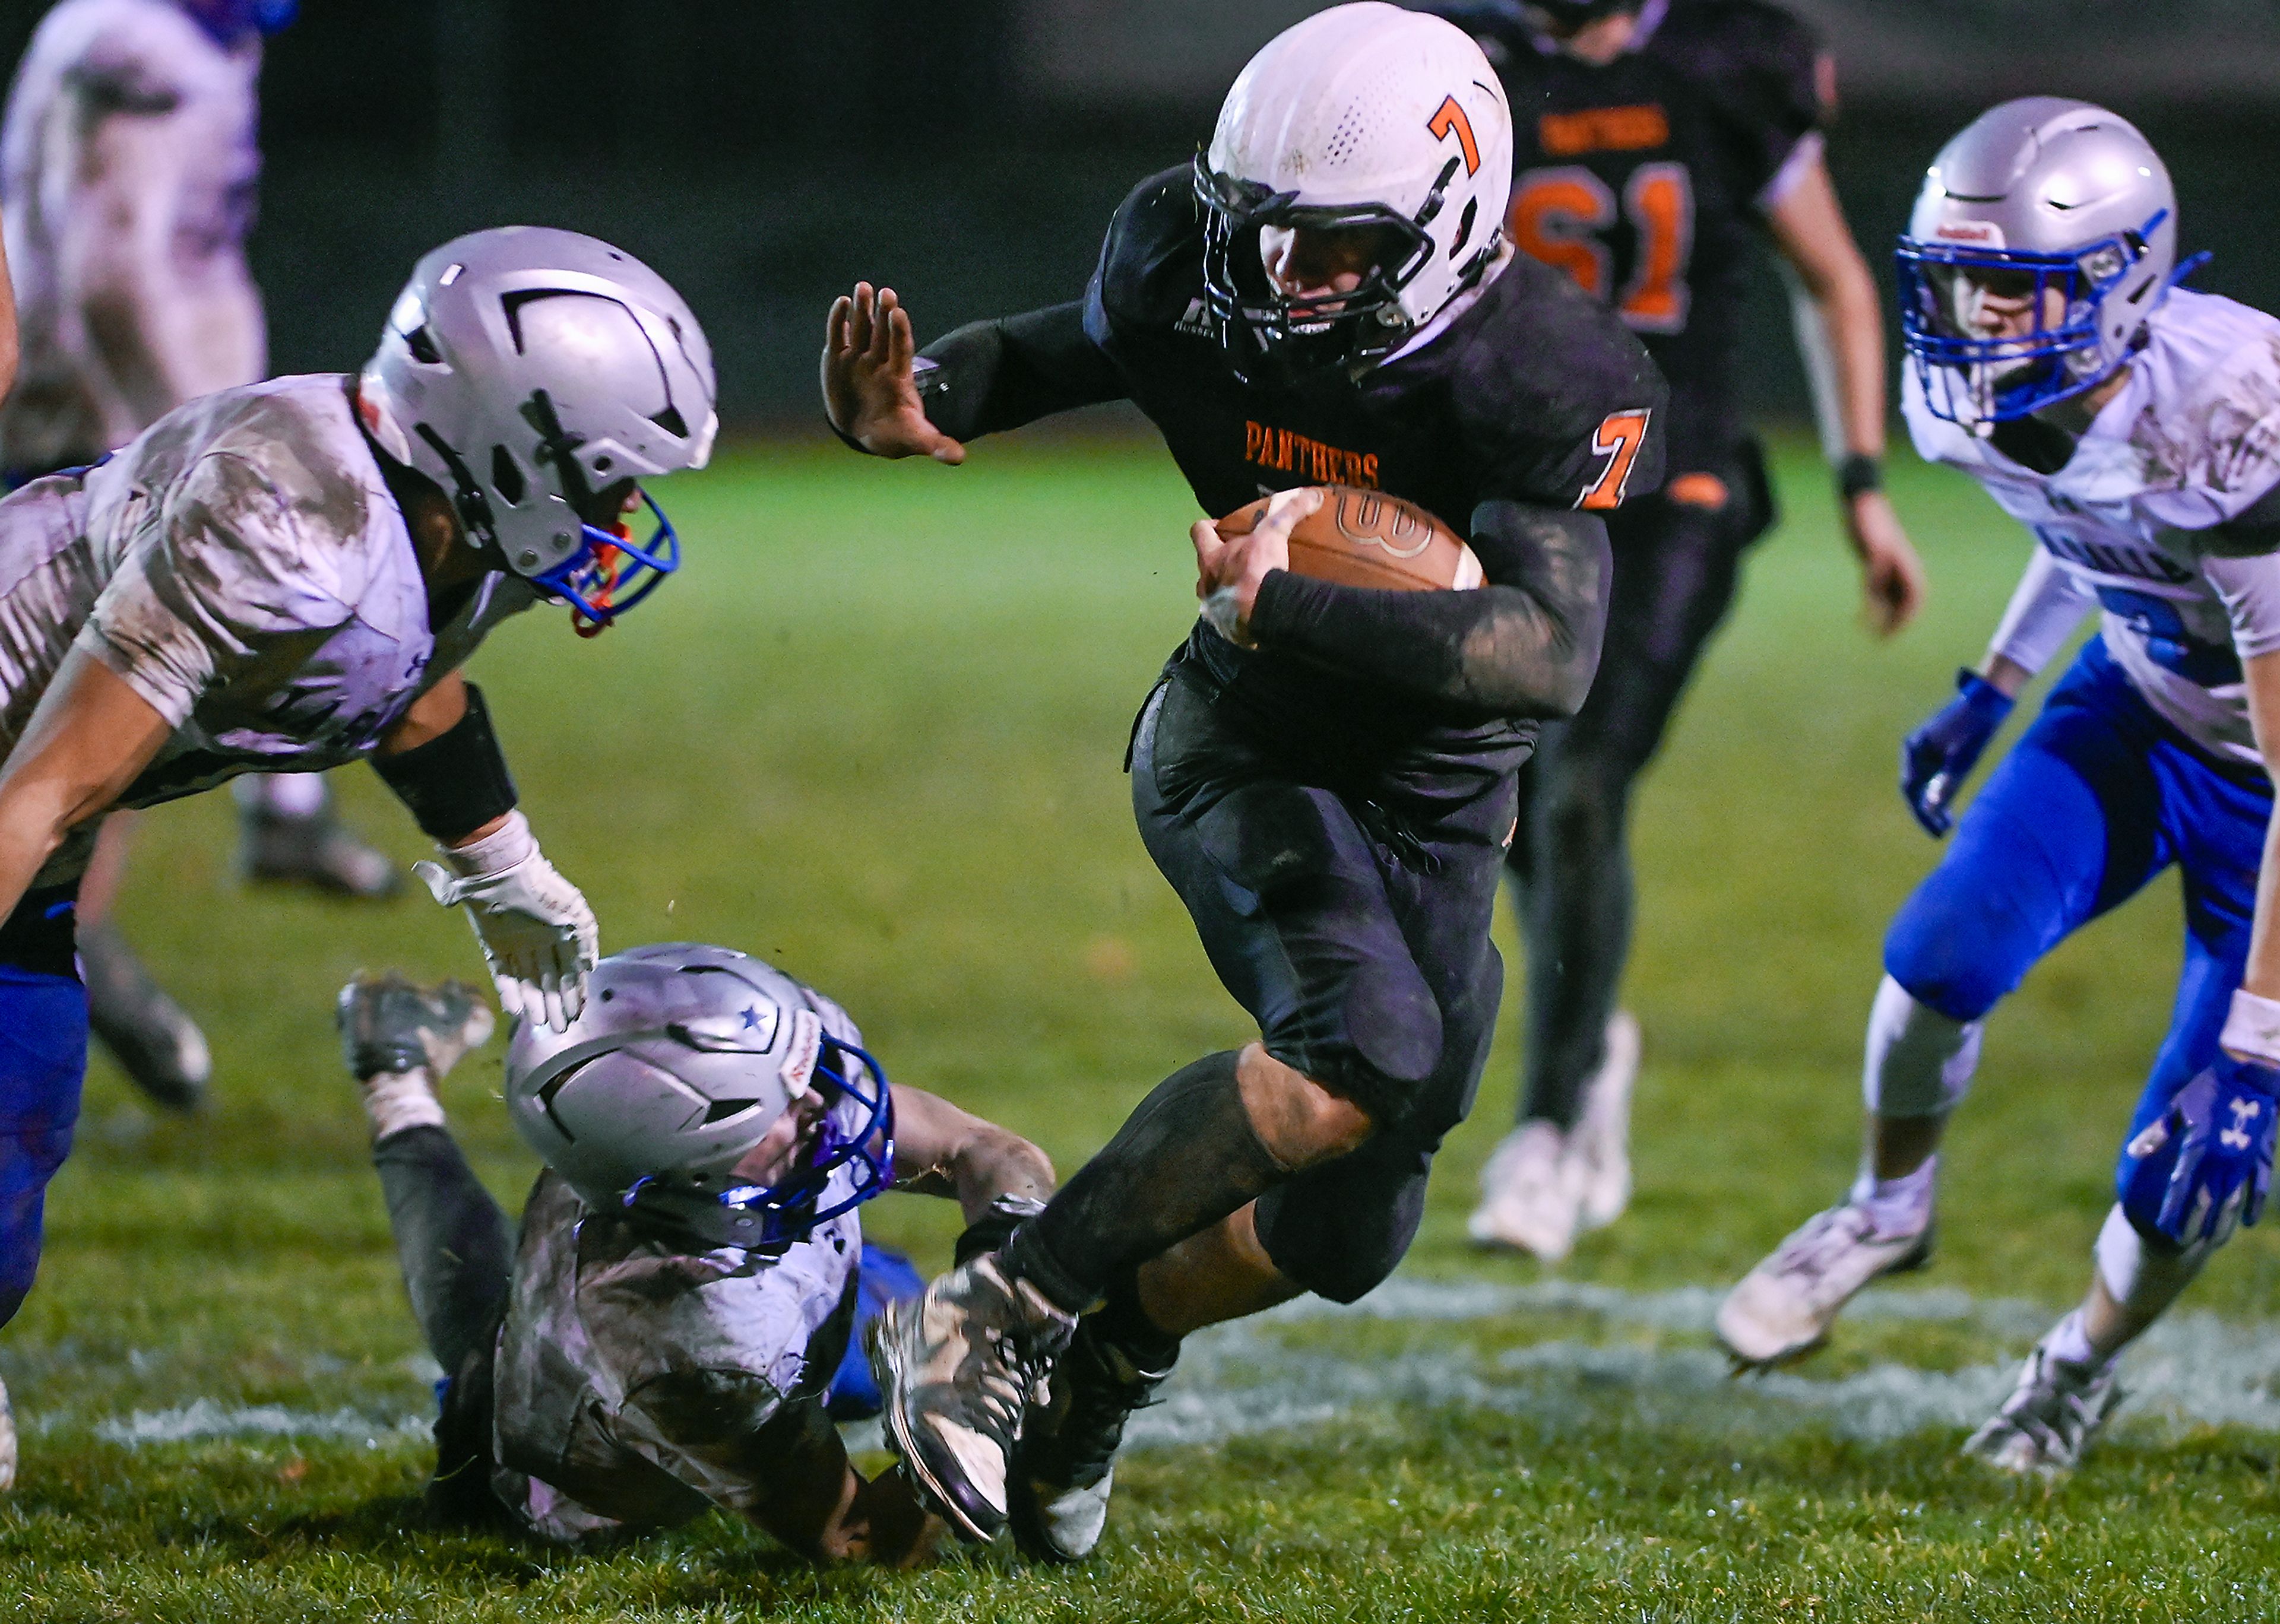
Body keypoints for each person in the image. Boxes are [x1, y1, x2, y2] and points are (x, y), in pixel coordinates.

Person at [826, 4, 1663, 1556]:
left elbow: (1550, 653)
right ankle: (996, 1310)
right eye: (1263, 230)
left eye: (1334, 244)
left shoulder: (1540, 366)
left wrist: (1297, 593)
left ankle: (1103, 1367)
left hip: (1437, 797)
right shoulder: (1185, 257)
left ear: (1450, 215)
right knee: (1364, 1043)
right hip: (1243, 738)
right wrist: (925, 390)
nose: (1286, 275)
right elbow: (1067, 347)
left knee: (1355, 1224)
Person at [0, 224, 717, 1486]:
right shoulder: (288, 530)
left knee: (18, 1132)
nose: (622, 520)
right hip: (18, 795)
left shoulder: (451, 524)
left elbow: (395, 679)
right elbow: (47, 789)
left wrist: (499, 861)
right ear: (506, 441)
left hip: (30, 827)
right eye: (605, 483)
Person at [1717, 99, 2280, 1474]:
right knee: (1935, 956)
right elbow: (2083, 525)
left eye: (2009, 294)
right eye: (1956, 286)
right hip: (2142, 704)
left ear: (2120, 283)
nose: (1972, 323)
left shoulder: (2234, 424)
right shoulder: (1973, 400)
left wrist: (2261, 1048)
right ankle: (1882, 1205)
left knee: (2187, 1163)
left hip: (2267, 781)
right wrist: (1989, 682)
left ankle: (2073, 1363)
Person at [1425, 0, 1927, 1264]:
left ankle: (1544, 1133)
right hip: (1522, 487)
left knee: (1583, 781)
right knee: (1518, 800)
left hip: (1677, 485)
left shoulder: (1722, 60)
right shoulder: (1465, 63)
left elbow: (1837, 282)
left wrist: (1863, 481)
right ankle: (1592, 1041)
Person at [339, 945, 1055, 1562]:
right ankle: (397, 1089)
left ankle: (398, 1084)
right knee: (483, 1358)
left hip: (769, 1255)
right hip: (614, 1437)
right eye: (778, 1104)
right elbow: (859, 1541)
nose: (821, 1102)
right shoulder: (699, 1352)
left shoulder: (676, 1125)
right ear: (695, 1165)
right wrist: (965, 1443)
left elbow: (980, 1152)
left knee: (936, 1319)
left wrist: (1000, 1291)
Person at [0, 0, 392, 1111]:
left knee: (95, 731)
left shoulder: (160, 30)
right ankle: (78, 945)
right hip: (113, 426)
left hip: (112, 417)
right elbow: (114, 266)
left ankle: (106, 928)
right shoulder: (145, 41)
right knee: (89, 723)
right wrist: (200, 439)